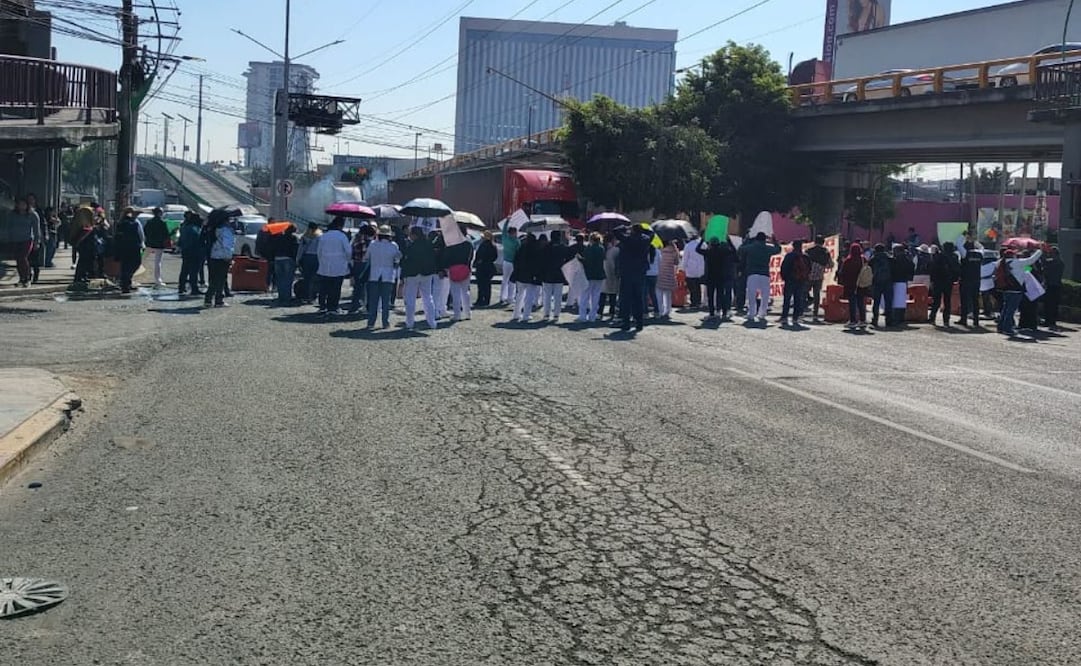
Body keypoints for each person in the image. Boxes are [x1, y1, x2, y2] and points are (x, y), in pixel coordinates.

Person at [995, 247, 1042, 336]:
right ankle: (1007, 328)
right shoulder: (1017, 263)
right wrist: (1040, 251)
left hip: (1006, 289)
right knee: (1011, 310)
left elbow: (1025, 270)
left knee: (1005, 309)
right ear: (1012, 255)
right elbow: (1031, 260)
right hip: (1016, 290)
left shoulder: (1000, 263)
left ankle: (1001, 327)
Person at [617, 225, 654, 332]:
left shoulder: (628, 239)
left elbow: (616, 231)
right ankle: (639, 323)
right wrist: (643, 230)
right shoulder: (646, 239)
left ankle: (626, 322)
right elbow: (652, 233)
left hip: (627, 271)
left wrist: (625, 227)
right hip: (640, 272)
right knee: (638, 298)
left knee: (626, 298)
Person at [400, 226, 438, 331]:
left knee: (410, 298)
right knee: (428, 298)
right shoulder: (429, 244)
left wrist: (403, 273)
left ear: (414, 235)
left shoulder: (411, 246)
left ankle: (410, 322)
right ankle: (432, 322)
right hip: (427, 273)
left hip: (412, 274)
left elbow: (405, 260)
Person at [365, 225, 402, 328]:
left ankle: (371, 322)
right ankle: (385, 322)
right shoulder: (393, 245)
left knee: (373, 301)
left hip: (374, 274)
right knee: (386, 301)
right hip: (388, 275)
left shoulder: (373, 244)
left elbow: (367, 257)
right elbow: (398, 258)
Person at [316, 217, 353, 316]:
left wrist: (321, 261)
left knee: (324, 288)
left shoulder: (324, 236)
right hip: (339, 266)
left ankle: (322, 306)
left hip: (325, 265)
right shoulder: (342, 236)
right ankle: (333, 307)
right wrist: (348, 261)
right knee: (336, 288)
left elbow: (319, 251)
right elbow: (348, 251)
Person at [742, 232, 782, 323]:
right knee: (765, 296)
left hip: (752, 273)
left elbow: (741, 249)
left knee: (751, 295)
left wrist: (747, 239)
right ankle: (762, 313)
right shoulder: (768, 248)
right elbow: (778, 249)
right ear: (765, 239)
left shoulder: (751, 247)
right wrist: (774, 240)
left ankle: (751, 313)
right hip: (765, 273)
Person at [2, 197, 41, 287]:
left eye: (23, 204)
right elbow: (8, 227)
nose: (21, 206)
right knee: (18, 260)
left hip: (27, 240)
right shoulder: (12, 214)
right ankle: (21, 278)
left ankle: (27, 277)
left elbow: (36, 230)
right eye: (19, 204)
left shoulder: (32, 215)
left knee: (23, 257)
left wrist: (36, 242)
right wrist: (7, 237)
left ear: (27, 205)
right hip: (15, 240)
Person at [696, 236, 737, 321]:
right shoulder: (723, 252)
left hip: (710, 277)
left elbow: (697, 249)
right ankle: (724, 313)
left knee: (710, 297)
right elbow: (733, 250)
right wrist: (729, 241)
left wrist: (702, 240)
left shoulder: (708, 252)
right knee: (721, 295)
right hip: (721, 277)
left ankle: (712, 313)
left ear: (711, 244)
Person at [204, 210, 236, 307]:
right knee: (221, 279)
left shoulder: (214, 229)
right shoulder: (226, 230)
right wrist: (229, 257)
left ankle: (208, 299)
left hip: (214, 256)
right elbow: (227, 245)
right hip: (223, 257)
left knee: (214, 279)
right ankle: (219, 300)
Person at [779, 239, 812, 327]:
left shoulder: (789, 256)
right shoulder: (805, 256)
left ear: (793, 246)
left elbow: (784, 268)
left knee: (787, 299)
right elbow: (809, 269)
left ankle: (784, 317)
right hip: (801, 281)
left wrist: (784, 278)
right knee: (798, 299)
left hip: (790, 280)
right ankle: (795, 318)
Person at [576, 232, 607, 322]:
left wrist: (579, 258)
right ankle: (592, 316)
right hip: (599, 275)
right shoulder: (602, 249)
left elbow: (586, 262)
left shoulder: (588, 249)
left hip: (589, 275)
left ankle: (583, 316)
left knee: (585, 296)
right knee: (596, 296)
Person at [113, 207, 145, 294]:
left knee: (130, 265)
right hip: (129, 247)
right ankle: (125, 284)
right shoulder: (126, 222)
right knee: (128, 266)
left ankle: (127, 282)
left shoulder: (131, 222)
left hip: (132, 247)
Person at [928, 242, 961, 327]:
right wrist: (954, 278)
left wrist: (932, 280)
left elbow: (933, 268)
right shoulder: (954, 257)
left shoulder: (938, 256)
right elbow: (957, 269)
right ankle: (946, 321)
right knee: (947, 301)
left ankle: (932, 318)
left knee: (936, 301)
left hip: (938, 281)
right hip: (949, 281)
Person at [512, 233, 542, 323]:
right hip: (531, 276)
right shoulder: (536, 249)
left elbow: (515, 260)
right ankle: (526, 315)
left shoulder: (521, 248)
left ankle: (516, 314)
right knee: (529, 296)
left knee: (519, 295)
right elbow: (537, 264)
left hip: (520, 274)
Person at [838, 242, 868, 329]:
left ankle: (853, 320)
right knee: (861, 302)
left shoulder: (848, 260)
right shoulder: (863, 259)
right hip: (861, 284)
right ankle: (862, 320)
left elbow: (842, 272)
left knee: (852, 303)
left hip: (851, 284)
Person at [805, 235, 834, 323]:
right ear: (823, 242)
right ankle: (815, 314)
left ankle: (799, 313)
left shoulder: (808, 250)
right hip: (819, 276)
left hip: (808, 275)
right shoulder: (825, 252)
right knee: (817, 295)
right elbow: (830, 265)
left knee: (803, 293)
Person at [270, 223, 299, 306]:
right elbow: (295, 249)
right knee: (288, 279)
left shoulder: (279, 237)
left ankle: (281, 297)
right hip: (288, 259)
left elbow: (273, 247)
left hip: (277, 258)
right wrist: (296, 260)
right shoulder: (293, 238)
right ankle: (287, 298)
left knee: (280, 279)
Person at [348, 225, 374, 314]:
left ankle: (354, 306)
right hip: (367, 265)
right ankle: (368, 307)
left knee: (358, 287)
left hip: (356, 264)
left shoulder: (356, 240)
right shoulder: (369, 242)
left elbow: (350, 253)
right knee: (369, 287)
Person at [177, 213, 204, 297]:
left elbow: (180, 241)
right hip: (195, 252)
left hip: (185, 251)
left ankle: (181, 287)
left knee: (184, 270)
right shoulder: (195, 229)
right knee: (194, 272)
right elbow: (199, 241)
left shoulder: (184, 227)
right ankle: (194, 289)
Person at [958, 240, 984, 327]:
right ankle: (976, 321)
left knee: (964, 301)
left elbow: (959, 244)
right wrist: (975, 241)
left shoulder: (965, 254)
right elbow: (981, 247)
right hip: (976, 281)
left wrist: (962, 236)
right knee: (975, 301)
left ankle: (963, 319)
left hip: (966, 280)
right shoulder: (980, 254)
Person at [143, 207, 170, 286]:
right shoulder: (162, 223)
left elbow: (145, 231)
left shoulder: (149, 222)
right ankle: (158, 280)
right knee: (157, 262)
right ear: (159, 213)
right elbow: (166, 235)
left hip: (149, 243)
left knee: (142, 259)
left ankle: (135, 276)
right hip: (159, 245)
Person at [868, 243, 893, 328]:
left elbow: (869, 269)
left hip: (876, 282)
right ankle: (889, 320)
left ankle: (875, 320)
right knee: (888, 302)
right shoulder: (889, 258)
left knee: (876, 302)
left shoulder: (873, 259)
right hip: (888, 282)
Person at [296, 223, 322, 303]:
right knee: (315, 278)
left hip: (306, 258)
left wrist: (298, 259)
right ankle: (313, 296)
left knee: (307, 278)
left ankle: (307, 296)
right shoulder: (320, 237)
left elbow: (301, 249)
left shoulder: (305, 237)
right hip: (316, 258)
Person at [473, 230, 498, 307]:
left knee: (482, 284)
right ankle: (486, 300)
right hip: (488, 267)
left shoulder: (484, 245)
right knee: (487, 284)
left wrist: (478, 262)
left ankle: (481, 299)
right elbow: (495, 257)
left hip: (482, 267)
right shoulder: (493, 245)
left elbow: (479, 255)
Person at [655, 238, 679, 319]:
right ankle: (668, 310)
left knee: (659, 293)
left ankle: (660, 310)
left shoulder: (659, 250)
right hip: (669, 273)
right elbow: (676, 262)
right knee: (668, 294)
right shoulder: (674, 251)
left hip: (660, 272)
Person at [1042, 246, 1064, 330]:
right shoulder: (1058, 262)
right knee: (1050, 304)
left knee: (1050, 304)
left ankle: (1050, 321)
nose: (1049, 255)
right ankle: (1050, 321)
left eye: (1051, 253)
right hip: (1052, 285)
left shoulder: (1057, 262)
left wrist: (1041, 254)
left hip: (1053, 285)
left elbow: (1045, 265)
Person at [600, 234, 621, 320]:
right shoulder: (616, 250)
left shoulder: (602, 249)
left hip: (603, 274)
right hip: (613, 274)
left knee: (602, 295)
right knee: (613, 295)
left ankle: (599, 312)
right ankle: (612, 312)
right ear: (612, 241)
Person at [499, 222, 520, 307]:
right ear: (514, 233)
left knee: (504, 280)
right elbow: (518, 252)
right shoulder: (516, 241)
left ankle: (502, 297)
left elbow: (503, 230)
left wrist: (507, 221)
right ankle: (510, 298)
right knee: (512, 281)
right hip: (513, 262)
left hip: (505, 262)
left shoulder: (504, 238)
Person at [682, 235, 705, 310]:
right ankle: (698, 301)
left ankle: (693, 301)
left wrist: (683, 268)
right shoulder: (703, 244)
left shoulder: (688, 246)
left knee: (692, 287)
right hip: (701, 269)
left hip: (690, 269)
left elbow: (685, 258)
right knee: (698, 286)